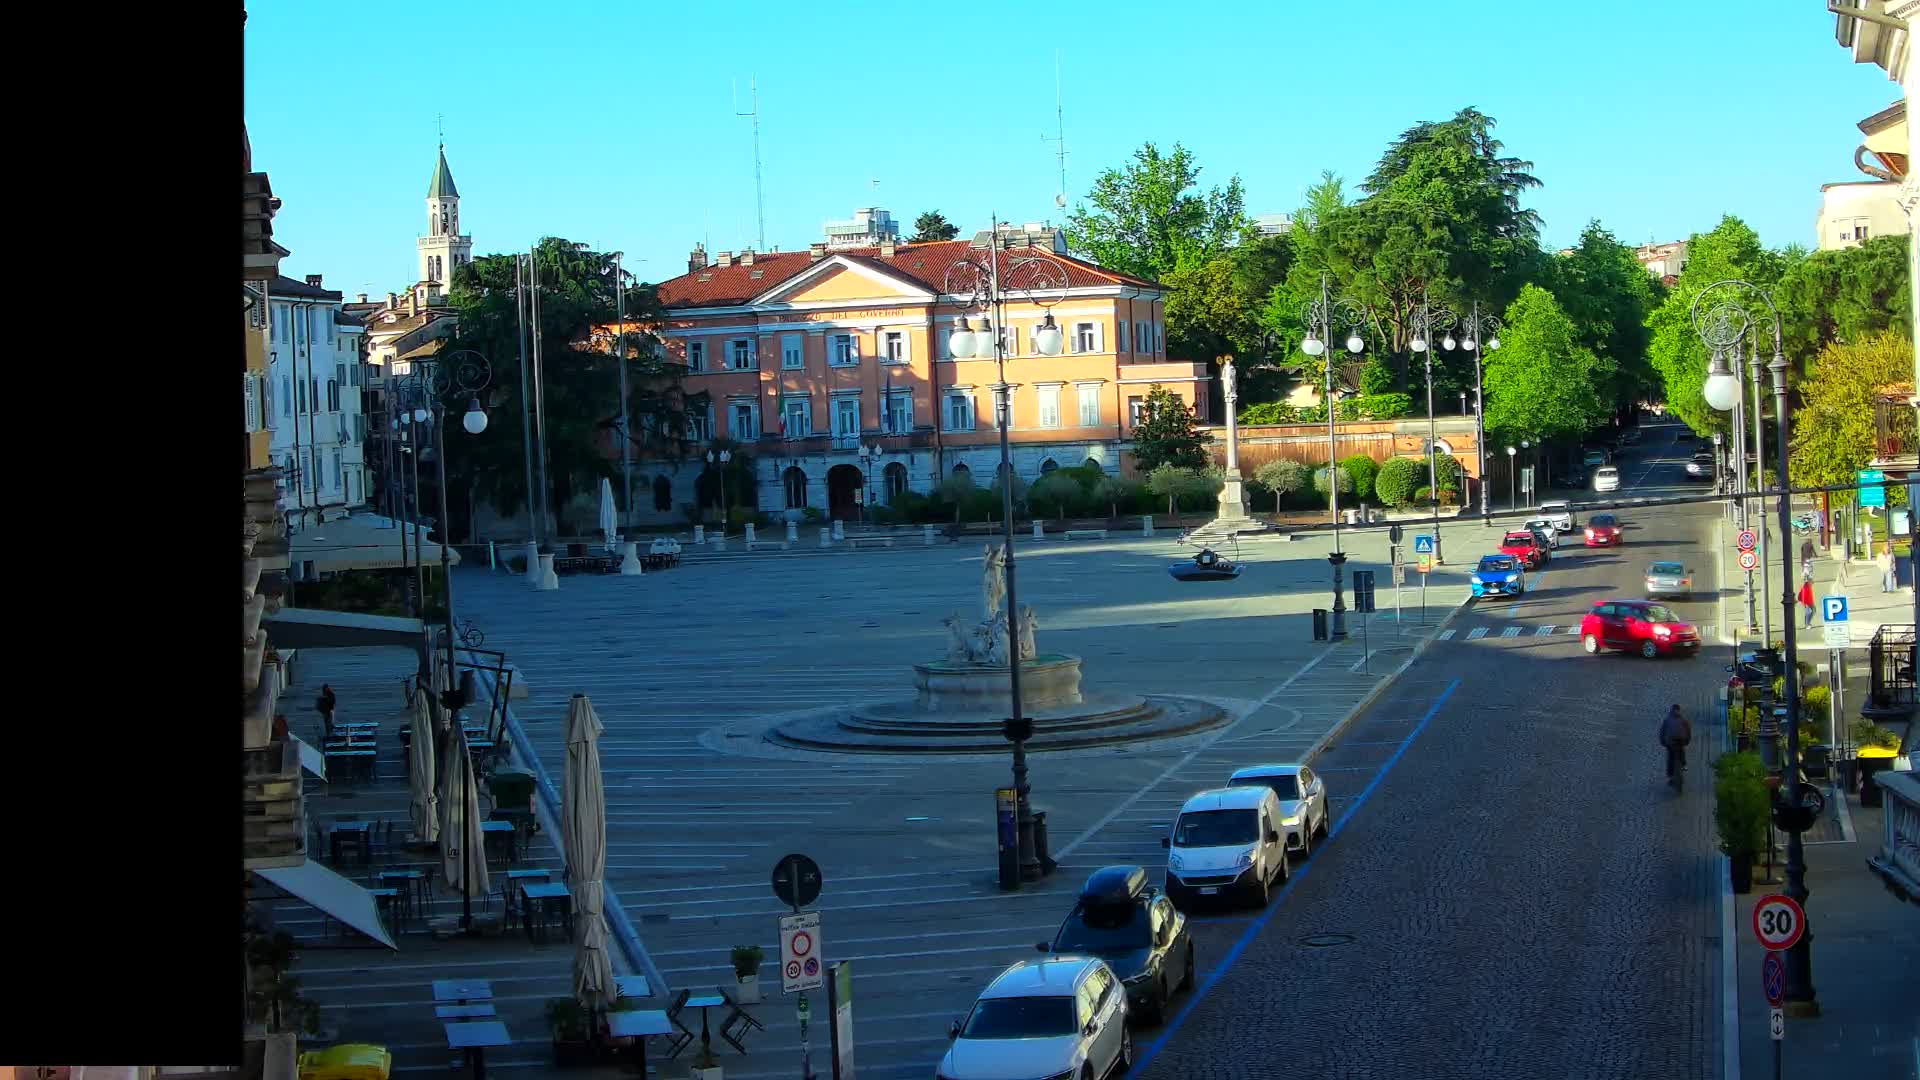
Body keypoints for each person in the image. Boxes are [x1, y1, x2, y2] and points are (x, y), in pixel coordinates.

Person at [1658, 704, 1692, 783]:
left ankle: (1670, 774)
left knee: (1670, 756)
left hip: (1670, 741)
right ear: (1679, 711)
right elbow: (1688, 731)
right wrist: (1687, 741)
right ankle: (1684, 764)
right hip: (1681, 740)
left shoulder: (1667, 720)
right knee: (1682, 751)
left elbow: (1662, 732)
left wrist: (1663, 742)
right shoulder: (1684, 720)